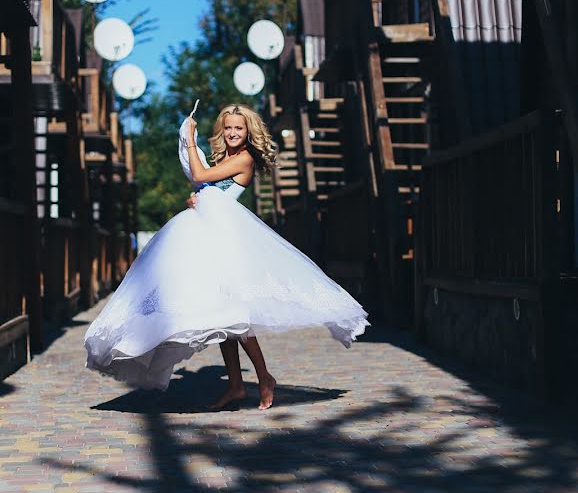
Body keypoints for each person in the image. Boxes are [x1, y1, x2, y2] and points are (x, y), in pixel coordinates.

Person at [83, 103, 368, 410]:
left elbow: (199, 172)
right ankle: (235, 385)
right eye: (229, 127)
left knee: (237, 317)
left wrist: (190, 141)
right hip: (207, 236)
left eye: (239, 128)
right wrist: (199, 195)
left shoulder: (244, 158)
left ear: (248, 133)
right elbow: (206, 184)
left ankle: (263, 378)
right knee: (222, 319)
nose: (233, 133)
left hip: (224, 240)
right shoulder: (225, 157)